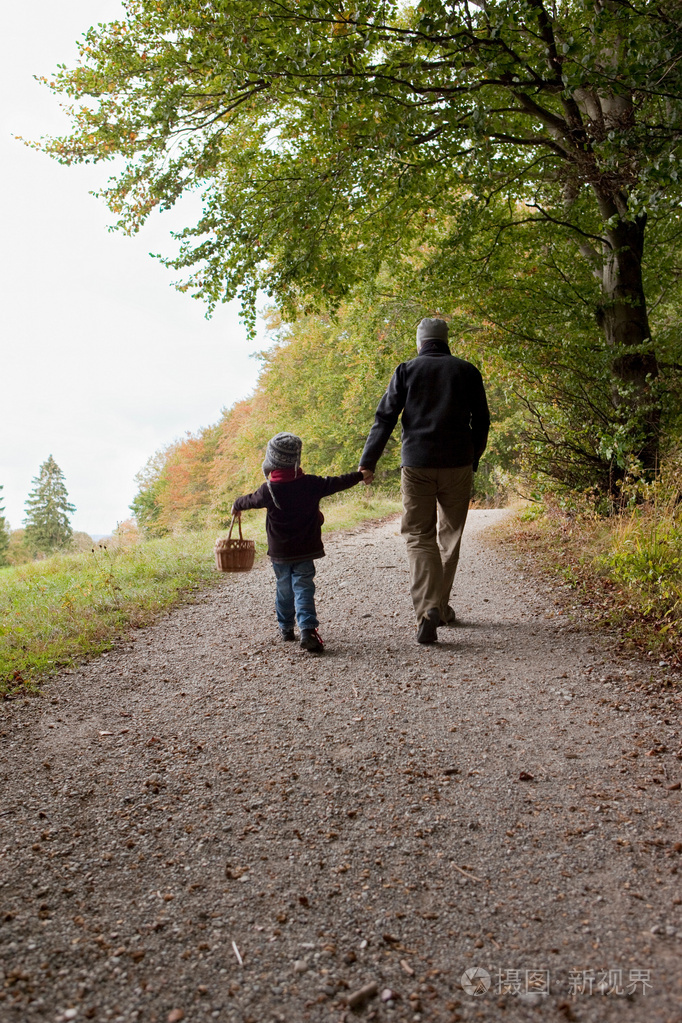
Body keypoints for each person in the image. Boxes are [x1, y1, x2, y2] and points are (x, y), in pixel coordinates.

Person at [359, 317, 490, 645]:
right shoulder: (467, 371)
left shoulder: (406, 370)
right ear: (446, 341)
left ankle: (429, 609)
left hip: (416, 464)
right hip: (458, 464)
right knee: (449, 536)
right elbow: (483, 421)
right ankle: (440, 607)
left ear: (420, 342)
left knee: (419, 536)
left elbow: (384, 417)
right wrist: (473, 457)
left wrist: (368, 462)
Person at [232, 432, 371, 653]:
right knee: (304, 587)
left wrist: (236, 505)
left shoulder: (267, 490)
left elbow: (248, 500)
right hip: (306, 550)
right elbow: (337, 482)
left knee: (284, 589)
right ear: (296, 458)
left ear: (272, 459)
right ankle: (307, 631)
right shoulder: (311, 483)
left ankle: (286, 628)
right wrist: (359, 475)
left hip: (280, 553)